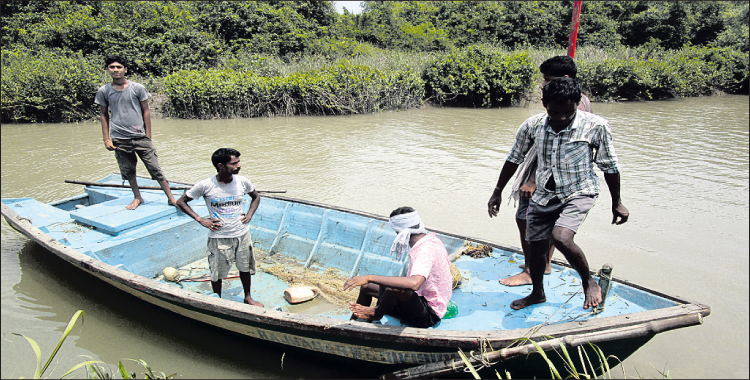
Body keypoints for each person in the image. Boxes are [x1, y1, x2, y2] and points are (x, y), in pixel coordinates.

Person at [487, 77, 629, 310]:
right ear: (544, 105)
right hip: (544, 193)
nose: (561, 118)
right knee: (536, 245)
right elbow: (514, 158)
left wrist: (617, 202)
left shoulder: (596, 126)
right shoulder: (533, 125)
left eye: (568, 112)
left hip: (579, 190)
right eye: (555, 113)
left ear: (576, 104)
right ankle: (537, 293)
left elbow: (610, 167)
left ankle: (588, 281)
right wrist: (497, 192)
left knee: (561, 237)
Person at [500, 55, 594, 286]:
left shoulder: (570, 103)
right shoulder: (580, 99)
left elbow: (554, 154)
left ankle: (533, 269)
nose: (543, 85)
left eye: (547, 80)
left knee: (527, 218)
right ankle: (544, 265)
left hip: (549, 177)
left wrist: (531, 180)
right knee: (547, 222)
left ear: (563, 79)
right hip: (561, 176)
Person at [175, 148, 264, 307]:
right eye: (234, 163)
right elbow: (181, 202)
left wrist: (249, 214)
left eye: (238, 162)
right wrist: (200, 219)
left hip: (242, 233)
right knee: (217, 273)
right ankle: (218, 299)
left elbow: (256, 197)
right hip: (219, 237)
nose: (239, 166)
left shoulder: (242, 181)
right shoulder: (205, 185)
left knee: (245, 268)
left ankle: (248, 297)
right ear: (221, 165)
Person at [342, 207, 452, 328]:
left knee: (396, 289)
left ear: (399, 233)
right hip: (420, 299)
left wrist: (370, 277)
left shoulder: (424, 251)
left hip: (429, 314)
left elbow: (415, 284)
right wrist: (368, 281)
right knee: (366, 287)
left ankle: (376, 313)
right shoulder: (431, 239)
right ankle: (353, 323)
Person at [95, 55, 177, 210]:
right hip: (119, 138)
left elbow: (146, 111)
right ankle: (137, 197)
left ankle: (171, 198)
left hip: (140, 136)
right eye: (112, 67)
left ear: (125, 69)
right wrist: (106, 139)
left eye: (119, 67)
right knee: (128, 170)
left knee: (155, 169)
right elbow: (103, 115)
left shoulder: (137, 88)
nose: (115, 70)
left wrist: (148, 136)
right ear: (107, 70)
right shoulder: (104, 91)